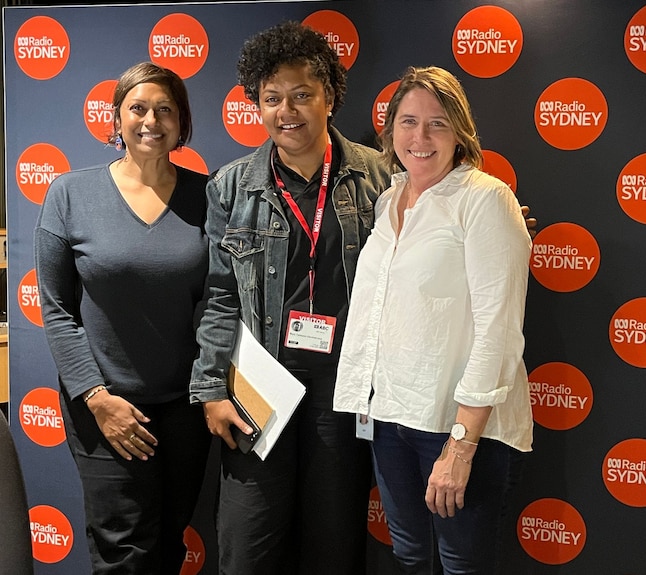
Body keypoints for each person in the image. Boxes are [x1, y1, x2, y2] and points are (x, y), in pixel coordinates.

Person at [189, 21, 388, 575]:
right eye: (272, 98)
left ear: (330, 96)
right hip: (259, 384)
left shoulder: (378, 177)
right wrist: (210, 387)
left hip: (343, 387)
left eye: (303, 94)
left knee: (333, 543)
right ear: (257, 104)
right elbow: (220, 296)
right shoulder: (230, 187)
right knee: (246, 545)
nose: (287, 110)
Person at [334, 66, 534, 574]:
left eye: (437, 123)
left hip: (458, 428)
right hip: (392, 419)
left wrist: (461, 446)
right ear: (389, 131)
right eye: (407, 122)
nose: (419, 137)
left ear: (460, 132)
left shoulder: (485, 199)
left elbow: (499, 332)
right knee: (409, 558)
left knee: (460, 565)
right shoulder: (387, 201)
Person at [35, 61, 212, 574]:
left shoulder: (208, 197)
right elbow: (56, 309)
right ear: (116, 119)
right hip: (104, 408)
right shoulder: (69, 194)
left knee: (170, 544)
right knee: (123, 554)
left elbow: (222, 300)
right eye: (138, 108)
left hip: (184, 411)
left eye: (164, 109)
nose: (150, 120)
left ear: (181, 122)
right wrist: (97, 398)